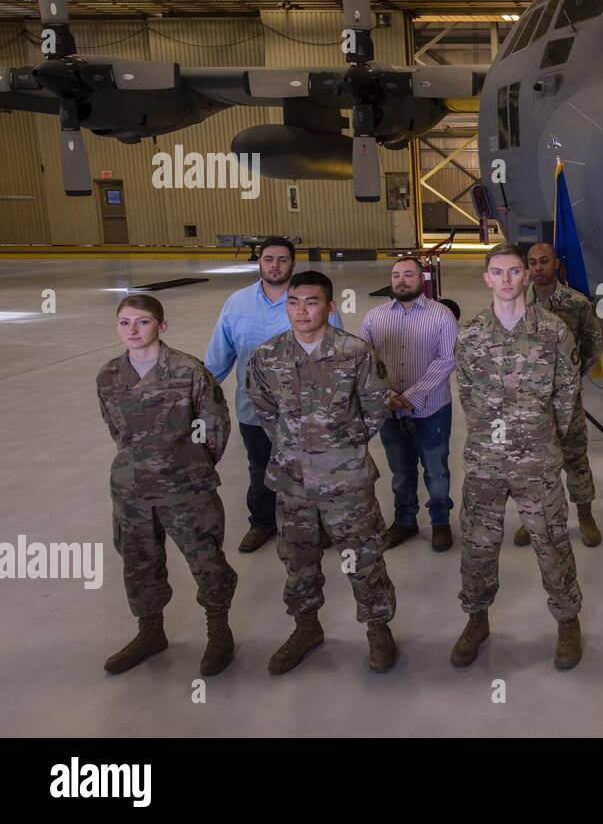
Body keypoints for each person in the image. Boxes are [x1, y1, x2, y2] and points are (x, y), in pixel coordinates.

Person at [247, 271, 398, 674]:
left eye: (311, 302)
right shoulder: (267, 356)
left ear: (330, 307)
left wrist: (342, 443)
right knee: (297, 558)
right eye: (293, 302)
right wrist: (292, 442)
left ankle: (378, 627)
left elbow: (376, 405)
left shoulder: (355, 352)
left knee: (361, 555)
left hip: (346, 480)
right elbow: (262, 408)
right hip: (291, 480)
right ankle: (306, 627)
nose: (301, 310)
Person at [450, 243, 585, 670]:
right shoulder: (470, 334)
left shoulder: (554, 331)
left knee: (552, 544)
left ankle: (567, 620)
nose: (507, 280)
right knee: (477, 546)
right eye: (498, 272)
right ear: (487, 278)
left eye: (514, 271)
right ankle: (476, 619)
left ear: (526, 276)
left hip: (538, 462)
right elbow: (467, 395)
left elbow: (567, 396)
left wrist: (548, 442)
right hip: (485, 462)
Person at [97, 295, 238, 676]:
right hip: (132, 491)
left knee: (205, 560)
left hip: (186, 488)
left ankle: (219, 630)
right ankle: (150, 631)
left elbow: (214, 428)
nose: (132, 330)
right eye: (124, 323)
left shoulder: (188, 371)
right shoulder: (109, 375)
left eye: (142, 322)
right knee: (139, 564)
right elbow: (117, 431)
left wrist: (190, 465)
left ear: (162, 326)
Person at [205, 237, 339, 554]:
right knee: (260, 466)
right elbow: (218, 358)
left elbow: (335, 354)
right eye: (268, 259)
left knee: (311, 467)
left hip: (306, 411)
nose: (275, 265)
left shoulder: (311, 299)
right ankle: (263, 522)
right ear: (260, 262)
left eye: (281, 259)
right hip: (253, 409)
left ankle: (316, 523)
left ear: (292, 263)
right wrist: (198, 399)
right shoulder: (236, 303)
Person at [359, 256, 458, 552]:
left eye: (408, 274)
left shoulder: (442, 316)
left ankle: (440, 521)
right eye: (396, 275)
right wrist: (387, 397)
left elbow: (448, 359)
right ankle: (405, 521)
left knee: (436, 469)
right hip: (389, 411)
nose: (401, 280)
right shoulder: (373, 317)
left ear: (421, 279)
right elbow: (363, 360)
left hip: (432, 409)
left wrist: (411, 396)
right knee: (401, 471)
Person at [512, 241, 603, 548]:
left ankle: (585, 516)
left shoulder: (577, 303)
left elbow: (592, 344)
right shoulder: (516, 303)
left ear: (556, 264)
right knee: (534, 462)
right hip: (530, 401)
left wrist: (570, 379)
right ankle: (535, 519)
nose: (538, 268)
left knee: (575, 457)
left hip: (566, 400)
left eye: (544, 262)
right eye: (533, 263)